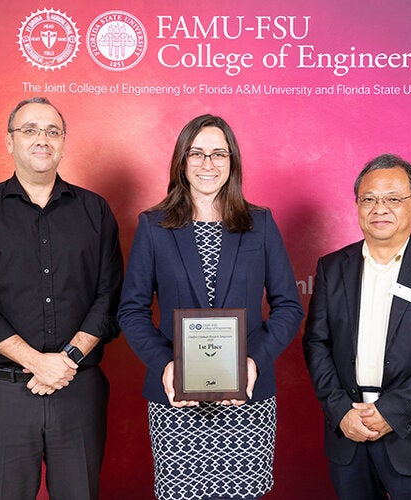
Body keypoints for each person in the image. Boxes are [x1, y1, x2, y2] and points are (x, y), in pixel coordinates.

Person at [118, 114, 304, 500]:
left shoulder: (260, 223)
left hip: (247, 399)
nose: (208, 164)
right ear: (181, 162)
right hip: (175, 400)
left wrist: (252, 362)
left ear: (232, 161)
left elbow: (288, 307)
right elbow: (131, 311)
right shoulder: (154, 226)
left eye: (219, 154)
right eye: (197, 153)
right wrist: (167, 366)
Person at [0, 97, 123, 499]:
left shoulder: (95, 211)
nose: (41, 139)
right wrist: (35, 363)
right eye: (29, 130)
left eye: (52, 131)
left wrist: (68, 360)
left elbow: (109, 295)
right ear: (10, 142)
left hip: (78, 389)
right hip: (3, 395)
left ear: (63, 142)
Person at [302, 154, 411, 500]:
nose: (380, 208)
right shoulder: (333, 267)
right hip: (347, 430)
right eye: (369, 199)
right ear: (357, 206)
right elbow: (316, 343)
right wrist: (340, 412)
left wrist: (389, 413)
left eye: (393, 199)